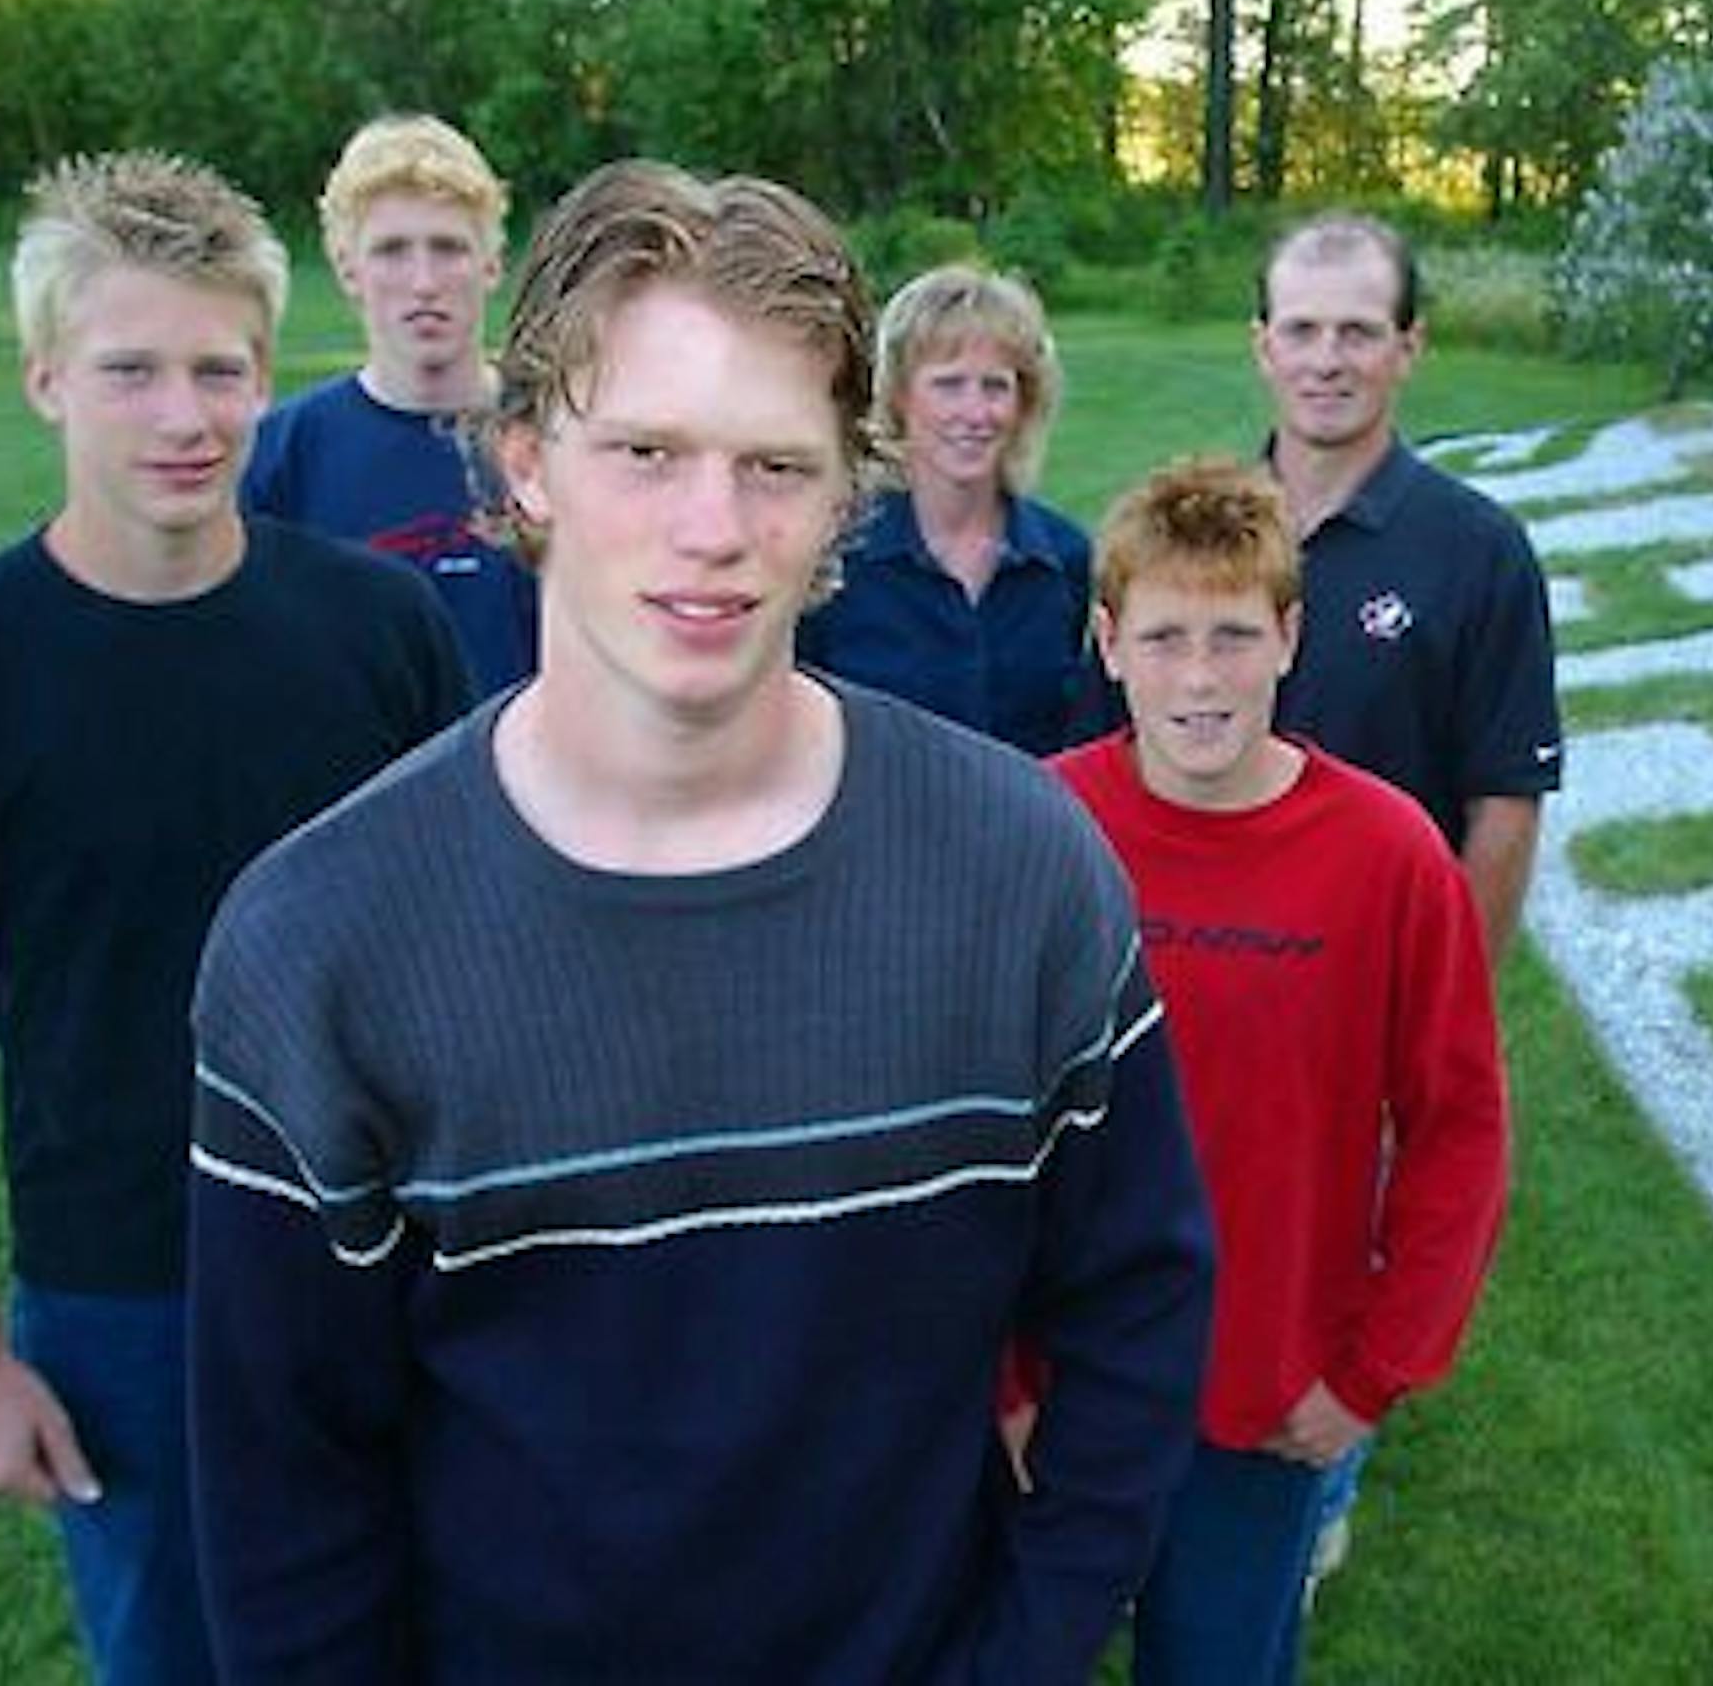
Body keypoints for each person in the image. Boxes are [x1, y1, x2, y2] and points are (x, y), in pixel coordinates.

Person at [187, 159, 1212, 1683]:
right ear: (527, 458)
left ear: (848, 492)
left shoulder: (1021, 868)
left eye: (776, 466)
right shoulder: (318, 944)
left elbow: (1138, 1298)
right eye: (647, 450)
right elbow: (287, 1508)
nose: (713, 526)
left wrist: (1032, 1638)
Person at [0, 152, 474, 1685]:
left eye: (219, 369)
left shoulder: (378, 630)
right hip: (122, 1281)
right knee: (177, 1649)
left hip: (386, 1246)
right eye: (131, 372)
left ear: (264, 373)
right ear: (45, 378)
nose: (185, 415)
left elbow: (464, 948)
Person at [1054, 454, 1509, 1684]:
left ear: (1292, 637)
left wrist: (1371, 1374)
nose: (1199, 677)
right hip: (1061, 1393)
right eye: (1163, 636)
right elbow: (971, 1128)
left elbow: (1459, 1130)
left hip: (1264, 1398)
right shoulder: (1041, 831)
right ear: (1106, 641)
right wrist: (995, 1376)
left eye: (1233, 635)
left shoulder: (1387, 855)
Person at [1254, 211, 1562, 962]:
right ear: (1262, 346)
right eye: (1301, 330)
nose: (1326, 360)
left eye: (1357, 332)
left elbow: (1505, 801)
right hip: (1211, 967)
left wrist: (1451, 1006)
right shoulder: (1194, 534)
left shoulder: (1481, 551)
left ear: (1409, 346)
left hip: (1382, 962)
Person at [242, 113, 537, 694]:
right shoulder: (280, 457)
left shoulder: (560, 434)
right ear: (349, 270)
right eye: (392, 251)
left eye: (448, 248)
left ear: (492, 266)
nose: (423, 281)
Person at [796, 262, 1098, 755]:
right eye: (949, 384)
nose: (974, 413)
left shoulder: (1064, 560)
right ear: (898, 396)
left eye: (995, 386)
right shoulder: (835, 556)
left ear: (1024, 402)